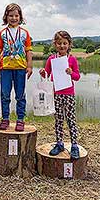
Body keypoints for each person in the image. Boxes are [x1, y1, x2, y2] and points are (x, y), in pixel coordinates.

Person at [0, 3, 33, 131]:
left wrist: (30, 66)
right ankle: (5, 119)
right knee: (5, 95)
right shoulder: (2, 33)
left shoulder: (25, 33)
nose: (13, 18)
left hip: (21, 68)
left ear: (20, 17)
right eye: (11, 15)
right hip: (5, 69)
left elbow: (29, 51)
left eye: (16, 15)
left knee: (20, 95)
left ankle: (20, 120)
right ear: (6, 17)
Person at [39, 30, 80, 159]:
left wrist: (71, 73)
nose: (62, 46)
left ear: (69, 44)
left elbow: (77, 77)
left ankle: (74, 146)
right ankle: (59, 143)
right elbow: (46, 73)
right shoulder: (51, 59)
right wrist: (42, 72)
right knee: (58, 120)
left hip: (69, 94)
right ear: (55, 44)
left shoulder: (72, 59)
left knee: (71, 120)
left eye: (64, 43)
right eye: (59, 43)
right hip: (55, 94)